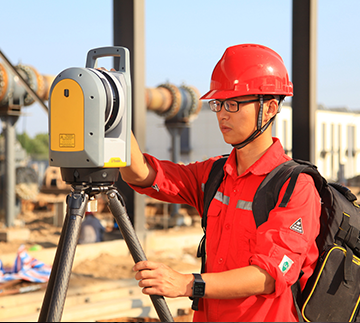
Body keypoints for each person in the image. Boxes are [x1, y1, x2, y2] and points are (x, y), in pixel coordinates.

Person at [119, 44, 321, 322]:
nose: (222, 114)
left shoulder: (295, 187)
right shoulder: (215, 174)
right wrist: (114, 113)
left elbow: (270, 275)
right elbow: (141, 174)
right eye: (218, 104)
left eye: (233, 104)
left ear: (270, 108)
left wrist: (187, 284)